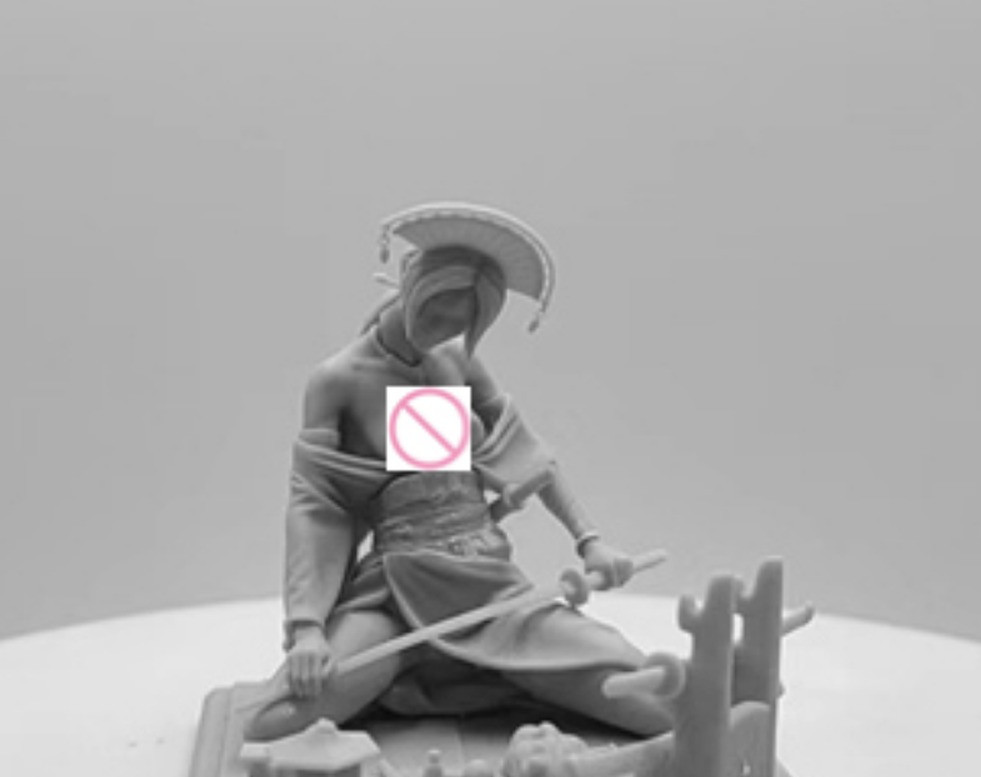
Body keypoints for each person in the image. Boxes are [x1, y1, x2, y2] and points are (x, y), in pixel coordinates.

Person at [244, 204, 671, 742]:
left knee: (648, 698)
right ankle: (433, 670)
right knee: (277, 718)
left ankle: (498, 672)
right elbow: (316, 507)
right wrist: (307, 628)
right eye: (436, 311)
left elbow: (527, 454)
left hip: (487, 589)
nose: (443, 329)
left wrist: (590, 541)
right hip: (395, 596)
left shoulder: (455, 361)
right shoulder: (339, 380)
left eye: (460, 321)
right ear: (409, 283)